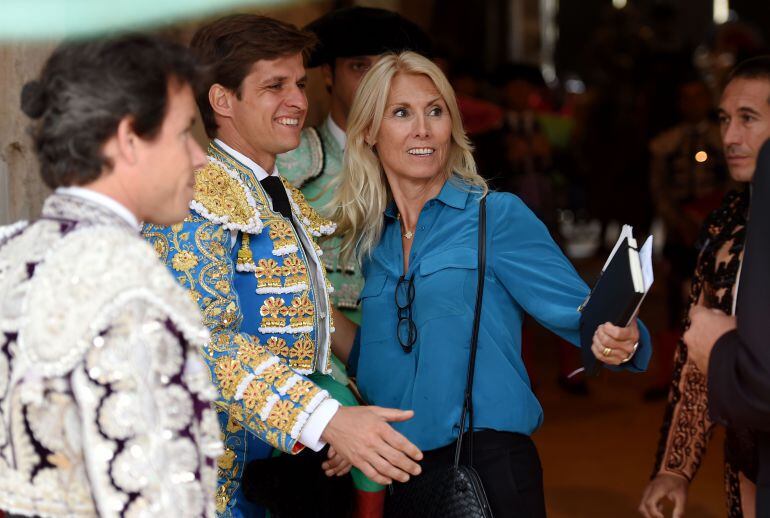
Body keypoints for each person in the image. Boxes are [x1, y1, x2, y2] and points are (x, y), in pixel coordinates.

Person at [332, 51, 651, 518]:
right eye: (401, 113)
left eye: (435, 111)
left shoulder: (494, 217)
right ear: (368, 133)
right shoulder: (373, 241)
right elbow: (382, 361)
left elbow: (589, 318)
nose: (422, 128)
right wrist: (342, 420)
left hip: (488, 473)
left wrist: (619, 338)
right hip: (405, 483)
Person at [142, 15, 422, 518]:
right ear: (222, 100)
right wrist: (325, 420)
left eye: (298, 83)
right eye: (274, 87)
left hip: (274, 469)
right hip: (208, 481)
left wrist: (336, 410)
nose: (298, 101)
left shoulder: (276, 195)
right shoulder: (192, 197)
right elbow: (202, 343)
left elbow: (298, 339)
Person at [0, 35, 222, 517]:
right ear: (128, 139)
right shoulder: (130, 284)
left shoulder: (9, 253)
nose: (199, 156)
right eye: (184, 132)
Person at [640, 56, 770, 518]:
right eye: (725, 119)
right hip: (749, 471)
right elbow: (697, 361)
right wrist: (674, 469)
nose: (730, 137)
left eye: (748, 119)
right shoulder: (728, 229)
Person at [278, 6, 431, 324]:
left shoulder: (427, 161)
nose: (377, 80)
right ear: (329, 75)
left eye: (386, 68)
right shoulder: (288, 162)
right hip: (315, 358)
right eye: (360, 67)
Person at [644, 75, 729, 401]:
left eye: (698, 97)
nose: (693, 104)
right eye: (687, 98)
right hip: (681, 234)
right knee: (674, 303)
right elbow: (659, 190)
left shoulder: (723, 140)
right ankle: (670, 374)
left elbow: (735, 188)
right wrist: (678, 221)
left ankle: (712, 375)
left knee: (717, 300)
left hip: (718, 233)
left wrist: (715, 221)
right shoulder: (667, 143)